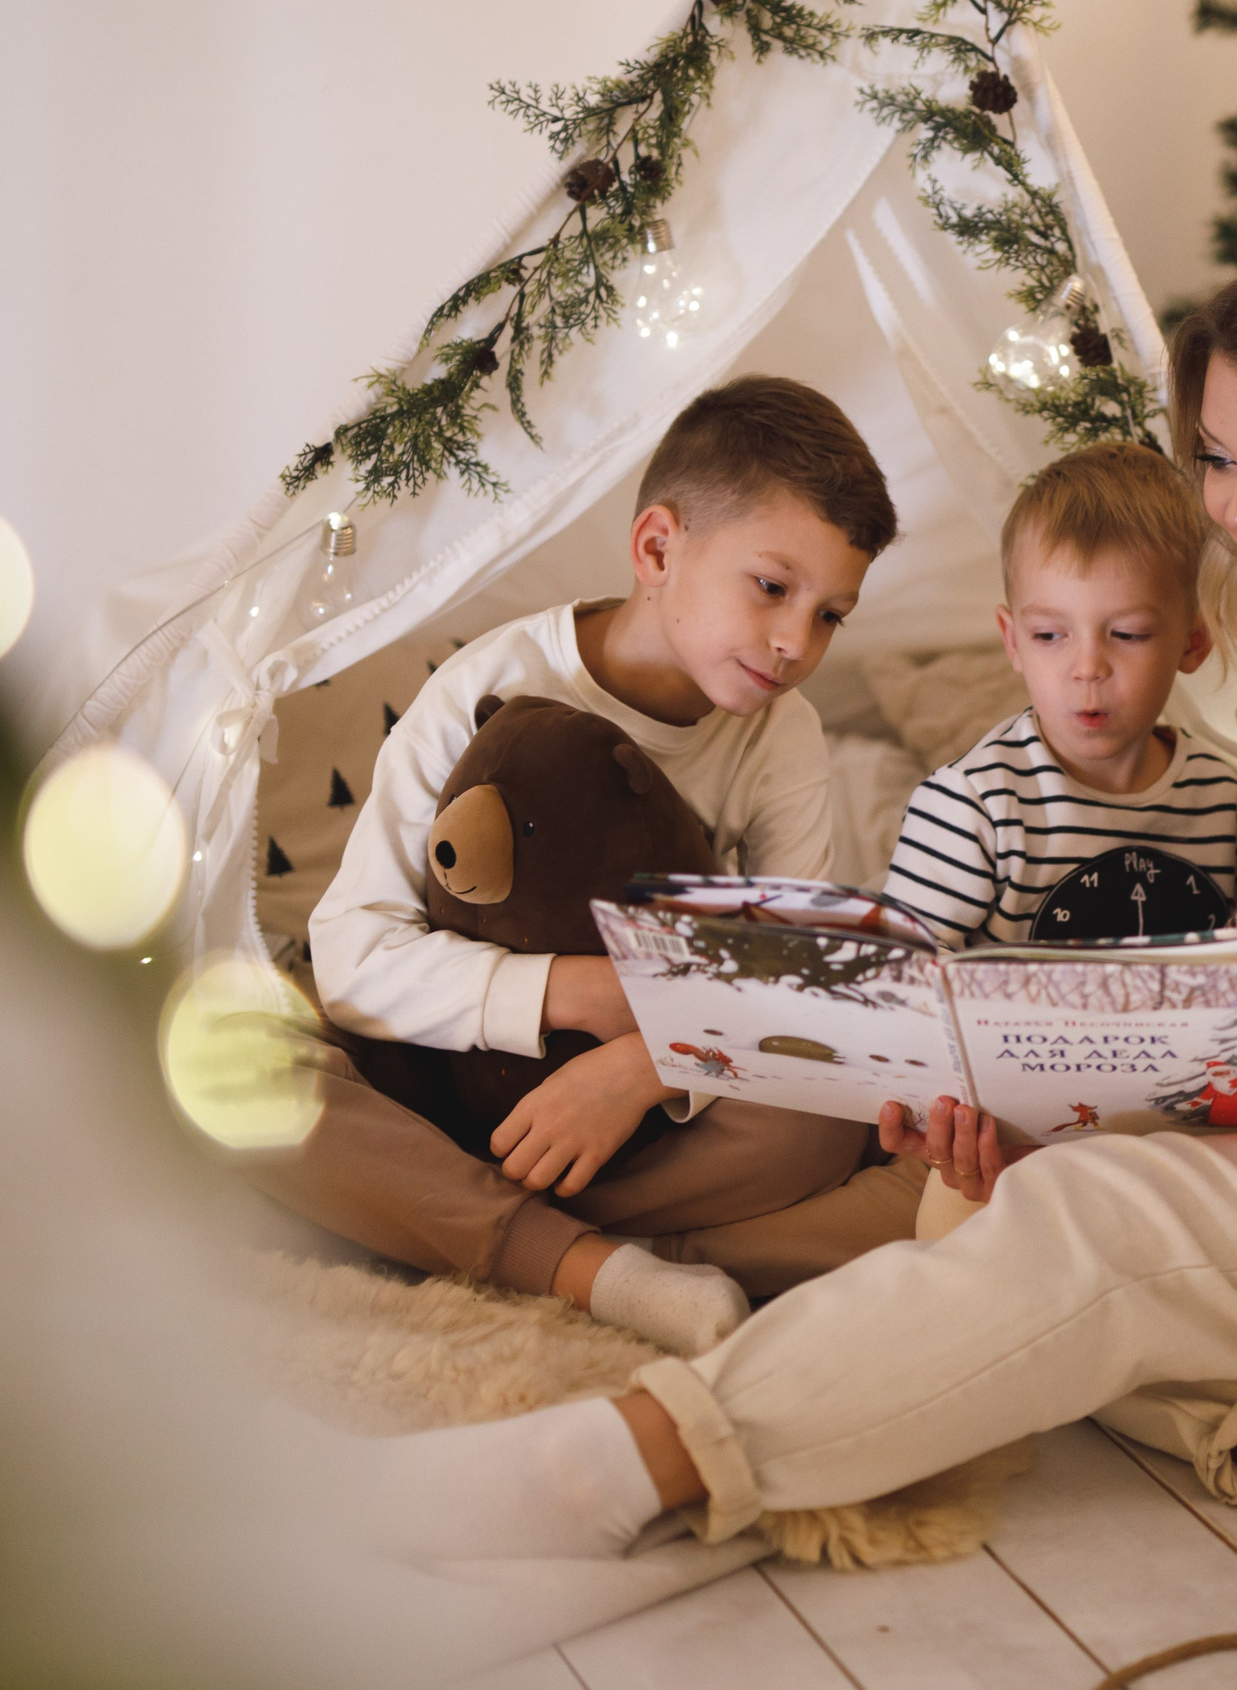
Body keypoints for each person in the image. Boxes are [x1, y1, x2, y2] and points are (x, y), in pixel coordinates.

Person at [347, 224, 1237, 1641]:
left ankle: (599, 1467)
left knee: (1103, 1226)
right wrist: (1058, 1111)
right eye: (1220, 463)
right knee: (1024, 1199)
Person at [254, 375, 926, 1356]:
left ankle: (486, 1235)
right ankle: (598, 1265)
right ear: (658, 547)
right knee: (236, 1069)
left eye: (831, 615)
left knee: (826, 1105)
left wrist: (640, 1068)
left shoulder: (785, 736)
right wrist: (582, 994)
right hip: (439, 1085)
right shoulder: (491, 683)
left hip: (636, 1131)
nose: (795, 643)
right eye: (772, 588)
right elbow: (352, 957)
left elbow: (787, 984)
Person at [877, 439, 1237, 1238]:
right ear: (1012, 641)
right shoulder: (973, 805)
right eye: (1053, 636)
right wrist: (940, 1115)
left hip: (1177, 1139)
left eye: (1126, 634)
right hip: (1004, 1150)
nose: (1087, 668)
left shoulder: (1232, 801)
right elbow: (895, 993)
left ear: (1192, 641)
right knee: (965, 1269)